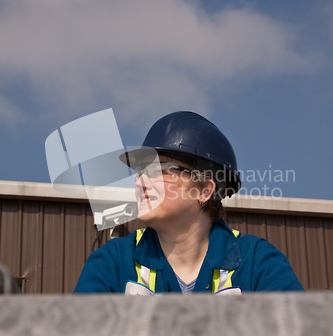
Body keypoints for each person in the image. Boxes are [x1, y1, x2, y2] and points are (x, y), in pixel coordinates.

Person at [74, 111, 304, 294]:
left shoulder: (257, 261)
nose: (140, 182)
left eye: (159, 170)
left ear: (204, 190)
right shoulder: (111, 262)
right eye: (140, 171)